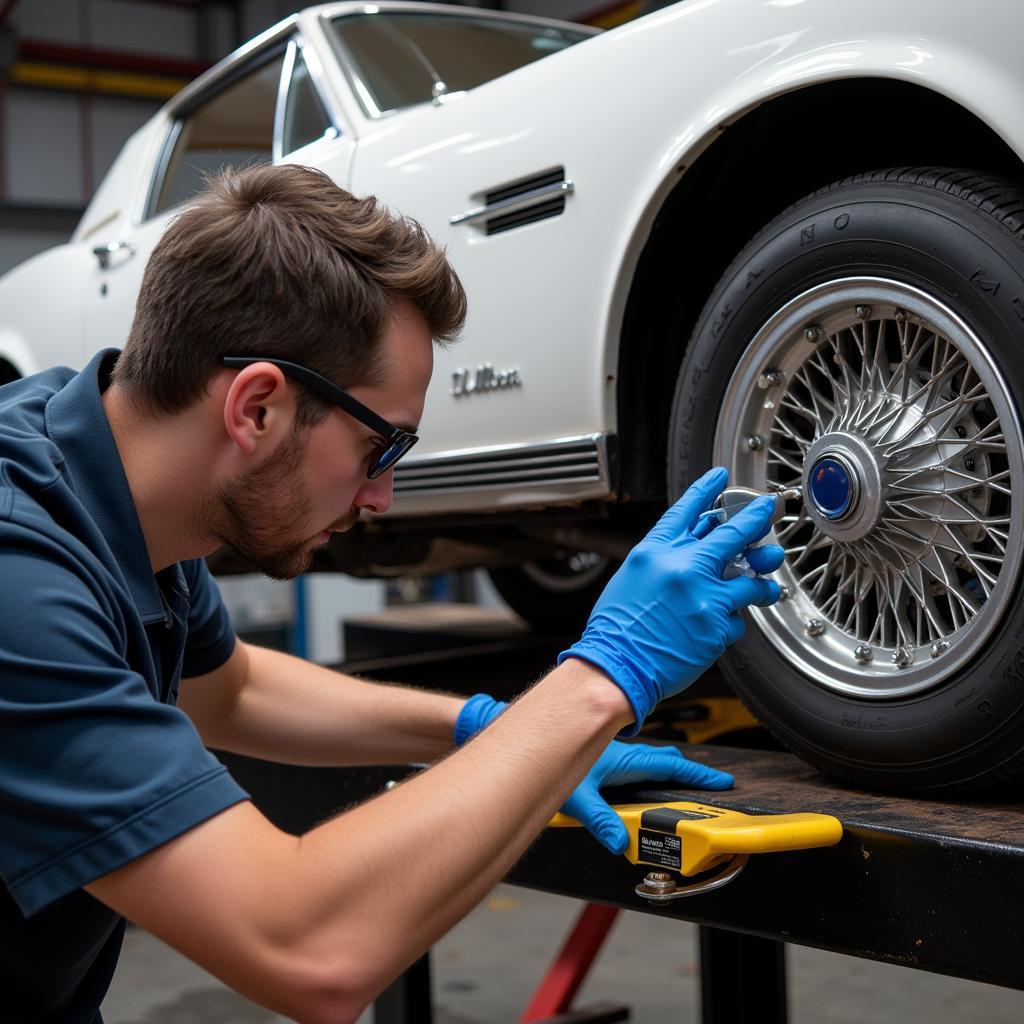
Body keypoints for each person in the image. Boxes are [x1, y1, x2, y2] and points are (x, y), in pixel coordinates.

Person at [0, 163, 784, 1023]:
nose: (381, 499)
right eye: (383, 449)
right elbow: (308, 950)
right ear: (257, 408)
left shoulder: (107, 470)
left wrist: (492, 729)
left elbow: (231, 689)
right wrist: (600, 681)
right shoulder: (17, 574)